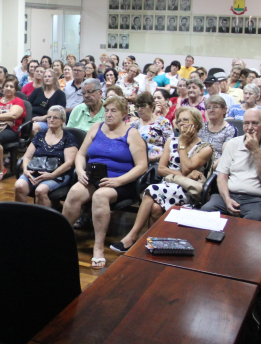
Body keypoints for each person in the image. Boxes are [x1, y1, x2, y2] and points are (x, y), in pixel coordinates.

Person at [62, 96, 148, 269]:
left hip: (120, 182)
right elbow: (80, 155)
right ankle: (60, 236)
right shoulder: (96, 128)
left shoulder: (132, 133)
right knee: (74, 192)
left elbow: (142, 166)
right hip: (93, 177)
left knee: (100, 196)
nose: (108, 114)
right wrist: (80, 171)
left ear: (124, 114)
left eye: (113, 111)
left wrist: (118, 181)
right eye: (106, 110)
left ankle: (98, 247)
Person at [112, 107, 213, 252]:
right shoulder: (171, 142)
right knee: (155, 207)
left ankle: (132, 237)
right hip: (167, 186)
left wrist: (183, 144)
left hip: (188, 191)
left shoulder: (205, 148)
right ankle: (155, 244)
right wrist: (181, 174)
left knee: (151, 189)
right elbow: (161, 169)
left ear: (196, 123)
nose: (181, 124)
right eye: (179, 121)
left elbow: (186, 167)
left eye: (186, 120)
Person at [200, 108, 261, 221]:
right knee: (205, 211)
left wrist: (255, 151)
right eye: (246, 123)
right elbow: (222, 177)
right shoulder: (232, 144)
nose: (249, 128)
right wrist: (227, 199)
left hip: (256, 200)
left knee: (253, 219)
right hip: (229, 194)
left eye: (255, 123)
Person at [15, 106, 79, 206]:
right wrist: (25, 171)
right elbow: (27, 156)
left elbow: (69, 163)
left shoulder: (68, 137)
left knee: (40, 190)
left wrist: (52, 175)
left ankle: (45, 220)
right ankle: (23, 217)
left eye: (55, 117)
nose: (51, 120)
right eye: (49, 117)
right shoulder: (40, 135)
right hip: (34, 171)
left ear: (62, 121)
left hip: (58, 174)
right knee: (19, 186)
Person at [0, 76, 26, 182]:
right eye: (6, 86)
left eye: (11, 86)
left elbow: (13, 116)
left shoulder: (18, 101)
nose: (8, 88)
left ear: (15, 90)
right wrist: (5, 115)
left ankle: (1, 168)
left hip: (12, 130)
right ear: (3, 88)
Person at [130, 91, 173, 162]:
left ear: (152, 106)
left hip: (158, 161)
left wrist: (155, 158)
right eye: (137, 106)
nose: (139, 109)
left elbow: (171, 146)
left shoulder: (163, 122)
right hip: (136, 161)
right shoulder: (133, 124)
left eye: (143, 106)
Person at [200, 95, 237, 168]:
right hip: (198, 163)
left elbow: (226, 154)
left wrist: (210, 169)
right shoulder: (201, 127)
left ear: (224, 109)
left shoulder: (230, 129)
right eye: (209, 107)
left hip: (217, 168)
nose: (211, 110)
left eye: (215, 107)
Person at [29, 69, 66, 135]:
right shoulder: (37, 91)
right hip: (31, 119)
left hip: (50, 121)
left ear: (54, 78)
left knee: (34, 127)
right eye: (45, 77)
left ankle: (36, 145)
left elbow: (60, 112)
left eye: (49, 76)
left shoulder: (60, 94)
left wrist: (42, 118)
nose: (47, 78)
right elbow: (27, 105)